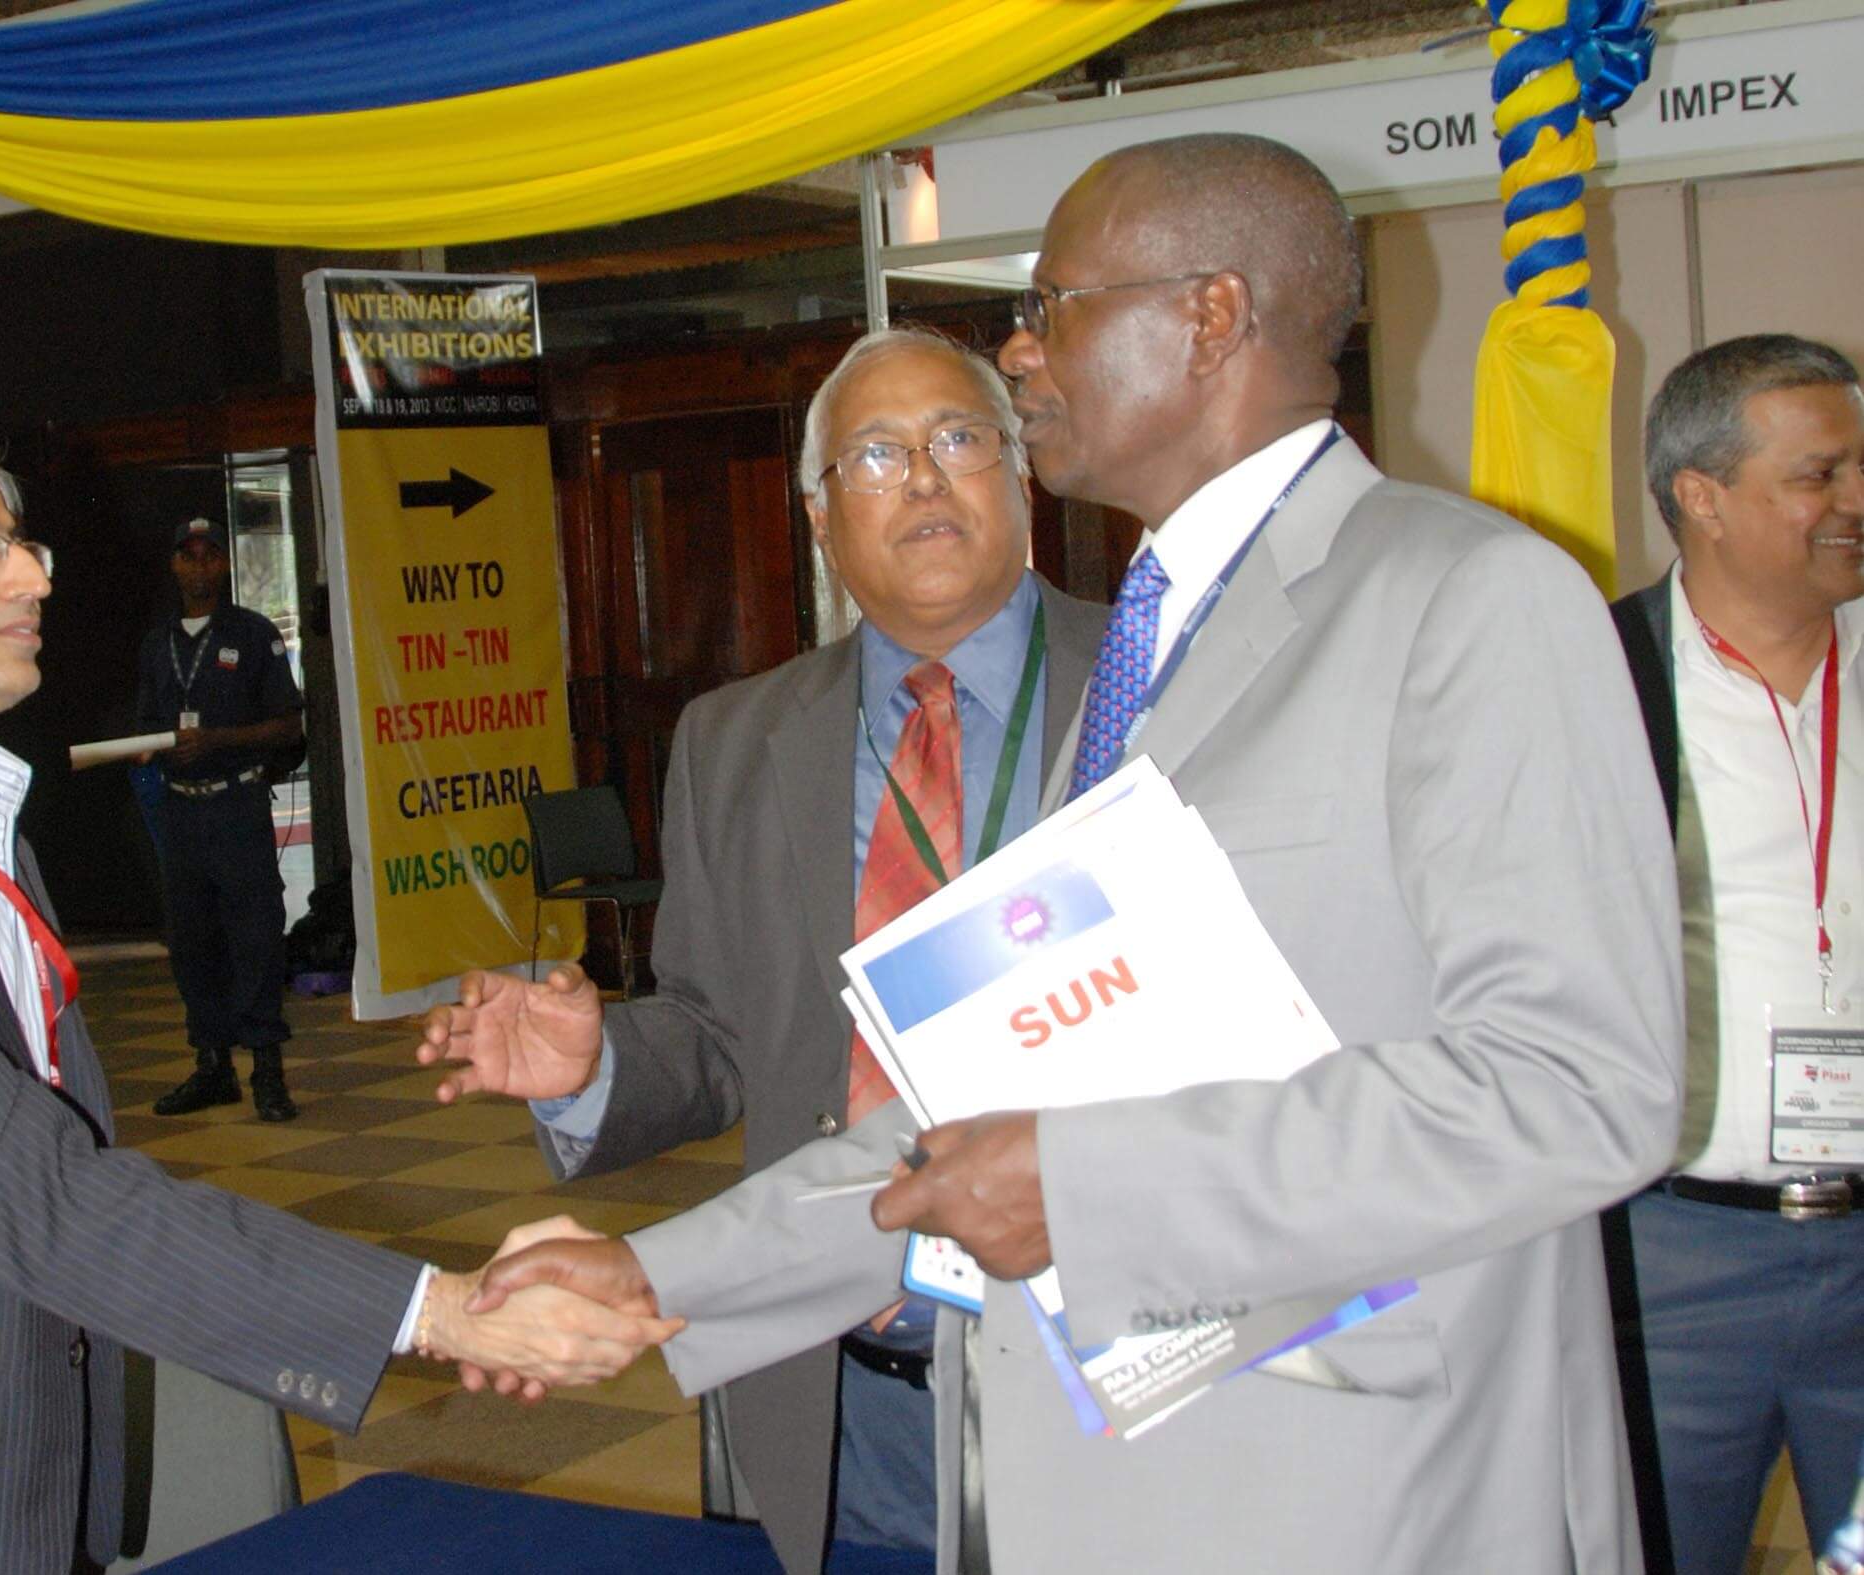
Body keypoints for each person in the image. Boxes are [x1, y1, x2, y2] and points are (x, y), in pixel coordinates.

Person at [472, 133, 1684, 1574]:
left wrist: (1088, 1183)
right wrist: (651, 1270)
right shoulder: (1152, 646)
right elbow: (984, 1104)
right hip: (1100, 1473)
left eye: (1051, 306)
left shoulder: (1466, 598)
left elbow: (1576, 1088)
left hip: (1359, 1491)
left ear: (1209, 316)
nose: (1018, 350)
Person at [0, 424, 677, 1575]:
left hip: (0, 1475)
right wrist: (437, 1310)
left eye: (20, 545)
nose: (30, 577)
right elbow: (24, 1189)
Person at [417, 327, 1108, 1565]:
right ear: (819, 517)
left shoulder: (1159, 681)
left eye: (959, 439)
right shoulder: (732, 742)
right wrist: (597, 1065)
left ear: (1019, 472)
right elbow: (724, 1034)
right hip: (854, 1395)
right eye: (875, 455)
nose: (924, 477)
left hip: (1115, 1363)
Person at [1609, 334, 1864, 1574]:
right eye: (1819, 475)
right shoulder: (1593, 678)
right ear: (1699, 497)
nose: (1855, 500)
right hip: (1669, 1264)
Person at [137, 516, 303, 1122]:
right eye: (188, 556)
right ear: (174, 564)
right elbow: (146, 726)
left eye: (210, 555)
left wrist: (217, 741)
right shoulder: (157, 643)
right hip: (181, 808)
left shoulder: (253, 634)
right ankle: (212, 1067)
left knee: (255, 936)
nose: (199, 567)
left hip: (237, 806)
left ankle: (267, 1071)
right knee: (192, 941)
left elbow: (288, 725)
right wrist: (153, 747)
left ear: (225, 564)